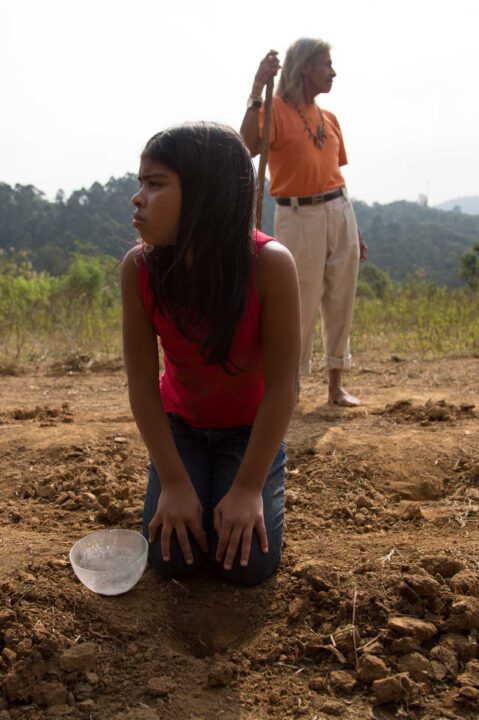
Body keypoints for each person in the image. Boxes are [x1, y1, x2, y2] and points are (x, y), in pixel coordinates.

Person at [121, 122, 300, 587]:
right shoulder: (139, 268)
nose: (137, 197)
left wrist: (247, 489)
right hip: (180, 427)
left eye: (155, 183)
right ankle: (192, 482)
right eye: (140, 183)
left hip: (249, 430)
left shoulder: (270, 265)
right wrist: (175, 484)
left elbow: (284, 386)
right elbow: (142, 384)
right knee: (170, 557)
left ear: (205, 193)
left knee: (247, 566)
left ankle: (247, 483)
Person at [240, 39, 367, 407]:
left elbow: (334, 175)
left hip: (339, 209)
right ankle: (289, 387)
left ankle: (335, 385)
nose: (333, 72)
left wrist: (353, 228)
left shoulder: (330, 119)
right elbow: (246, 145)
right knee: (299, 302)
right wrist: (255, 90)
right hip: (298, 214)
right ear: (303, 68)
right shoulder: (275, 110)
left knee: (341, 297)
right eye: (326, 65)